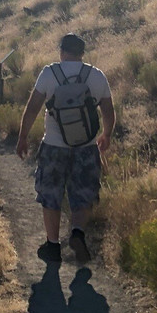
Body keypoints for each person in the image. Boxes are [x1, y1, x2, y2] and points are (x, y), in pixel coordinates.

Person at [16, 33, 115, 263]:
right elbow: (108, 111)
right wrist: (107, 135)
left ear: (62, 51)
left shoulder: (50, 73)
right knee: (84, 193)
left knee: (50, 194)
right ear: (82, 53)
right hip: (87, 147)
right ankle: (78, 232)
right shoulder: (96, 75)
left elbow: (32, 109)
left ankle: (52, 246)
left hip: (53, 147)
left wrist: (22, 137)